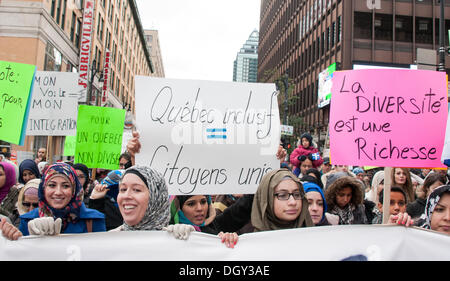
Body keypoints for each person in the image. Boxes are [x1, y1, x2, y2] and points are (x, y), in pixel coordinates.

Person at [0, 163, 106, 240]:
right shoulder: (28, 220)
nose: (58, 192)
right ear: (43, 189)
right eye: (52, 185)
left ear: (74, 190)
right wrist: (13, 238)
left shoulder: (93, 221)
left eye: (65, 186)